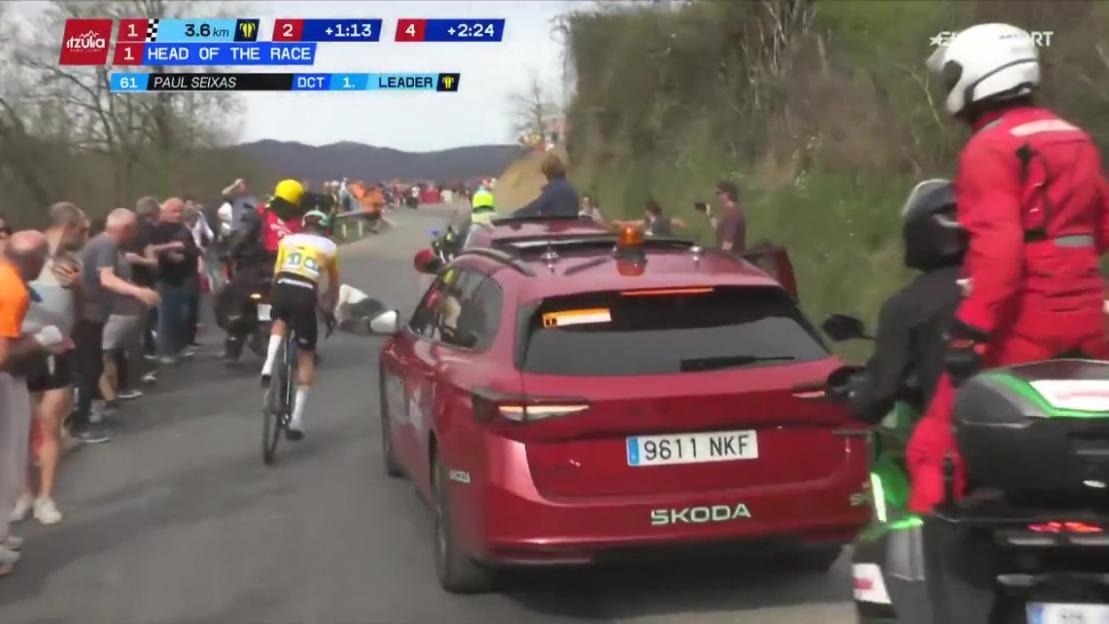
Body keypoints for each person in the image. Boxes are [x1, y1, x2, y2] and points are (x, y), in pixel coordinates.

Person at [908, 24, 1109, 623]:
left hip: (1025, 321)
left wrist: (969, 332)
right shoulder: (1073, 136)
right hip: (1089, 319)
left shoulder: (989, 149)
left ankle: (953, 597)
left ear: (975, 77)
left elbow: (999, 256)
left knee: (937, 444)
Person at [843, 180, 965, 424]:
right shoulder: (1012, 285)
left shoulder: (908, 306)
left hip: (950, 441)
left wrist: (855, 399)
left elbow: (880, 392)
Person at [10, 204, 87, 527]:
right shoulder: (24, 256)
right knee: (23, 429)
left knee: (50, 423)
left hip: (58, 350)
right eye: (81, 229)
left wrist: (78, 287)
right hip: (23, 351)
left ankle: (46, 498)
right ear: (66, 226)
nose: (84, 235)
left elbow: (80, 312)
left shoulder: (74, 263)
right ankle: (25, 493)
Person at [0, 230, 66, 575]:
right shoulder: (12, 289)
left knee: (9, 457)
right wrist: (43, 340)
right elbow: (2, 356)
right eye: (43, 258)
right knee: (4, 459)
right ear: (33, 260)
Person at [72, 209, 161, 443]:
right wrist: (138, 291)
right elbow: (107, 279)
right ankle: (81, 423)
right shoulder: (106, 246)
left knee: (92, 366)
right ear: (127, 228)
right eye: (134, 230)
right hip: (89, 315)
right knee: (89, 368)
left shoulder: (102, 244)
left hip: (96, 313)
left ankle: (93, 414)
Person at [259, 210, 339, 439]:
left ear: (303, 225)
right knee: (306, 355)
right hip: (305, 292)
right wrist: (328, 309)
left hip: (282, 286)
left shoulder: (287, 240)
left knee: (280, 320)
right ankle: (296, 419)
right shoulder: (330, 247)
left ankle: (267, 364)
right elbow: (333, 286)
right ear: (324, 227)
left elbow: (277, 273)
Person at [220, 179, 306, 363]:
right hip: (279, 266)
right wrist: (230, 252)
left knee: (237, 298)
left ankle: (233, 346)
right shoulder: (270, 213)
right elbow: (242, 236)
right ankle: (234, 344)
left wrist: (230, 253)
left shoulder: (264, 212)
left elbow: (242, 236)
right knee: (239, 299)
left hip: (269, 266)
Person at [150, 198, 200, 365]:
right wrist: (170, 255)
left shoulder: (180, 227)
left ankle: (179, 346)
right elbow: (154, 249)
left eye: (180, 210)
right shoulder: (160, 230)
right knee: (167, 316)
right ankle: (166, 351)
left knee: (181, 315)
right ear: (164, 211)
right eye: (174, 211)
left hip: (184, 276)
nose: (178, 214)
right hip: (168, 277)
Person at [511, 154, 579, 218]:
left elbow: (534, 207)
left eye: (545, 174)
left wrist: (516, 214)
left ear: (549, 173)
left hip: (554, 228)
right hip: (569, 227)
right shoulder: (569, 187)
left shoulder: (553, 189)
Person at [612, 199, 687, 237]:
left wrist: (685, 226)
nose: (644, 212)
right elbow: (637, 223)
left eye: (645, 210)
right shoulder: (649, 221)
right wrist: (621, 223)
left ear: (649, 211)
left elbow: (676, 222)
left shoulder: (662, 221)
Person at [713, 180, 746, 253]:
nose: (717, 196)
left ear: (727, 194)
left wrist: (722, 257)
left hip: (733, 257)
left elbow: (729, 240)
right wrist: (709, 214)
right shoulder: (730, 210)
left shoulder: (733, 212)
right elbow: (719, 229)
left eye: (718, 193)